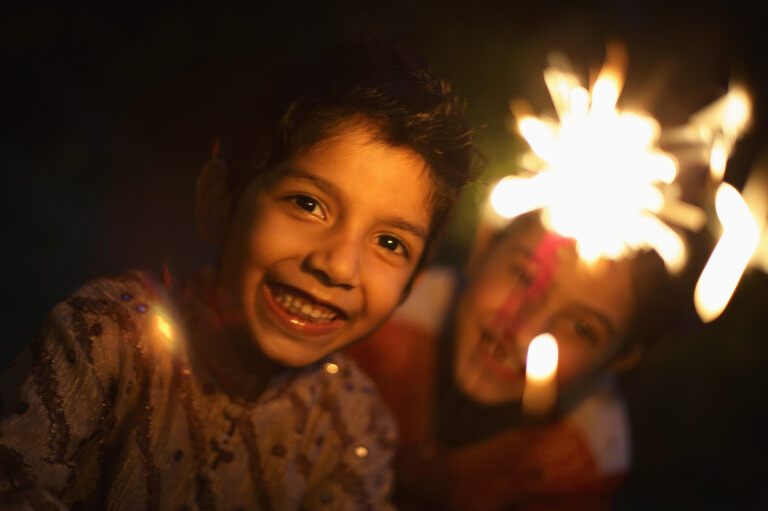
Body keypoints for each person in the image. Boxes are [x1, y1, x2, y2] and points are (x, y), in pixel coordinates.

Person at [0, 38, 478, 510]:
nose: (337, 266)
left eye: (390, 243)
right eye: (308, 204)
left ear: (410, 285)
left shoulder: (355, 430)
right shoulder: (105, 336)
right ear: (220, 201)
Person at [346, 209, 677, 511]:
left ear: (619, 360)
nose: (524, 333)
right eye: (524, 278)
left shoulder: (583, 465)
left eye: (581, 329)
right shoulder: (372, 321)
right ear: (482, 248)